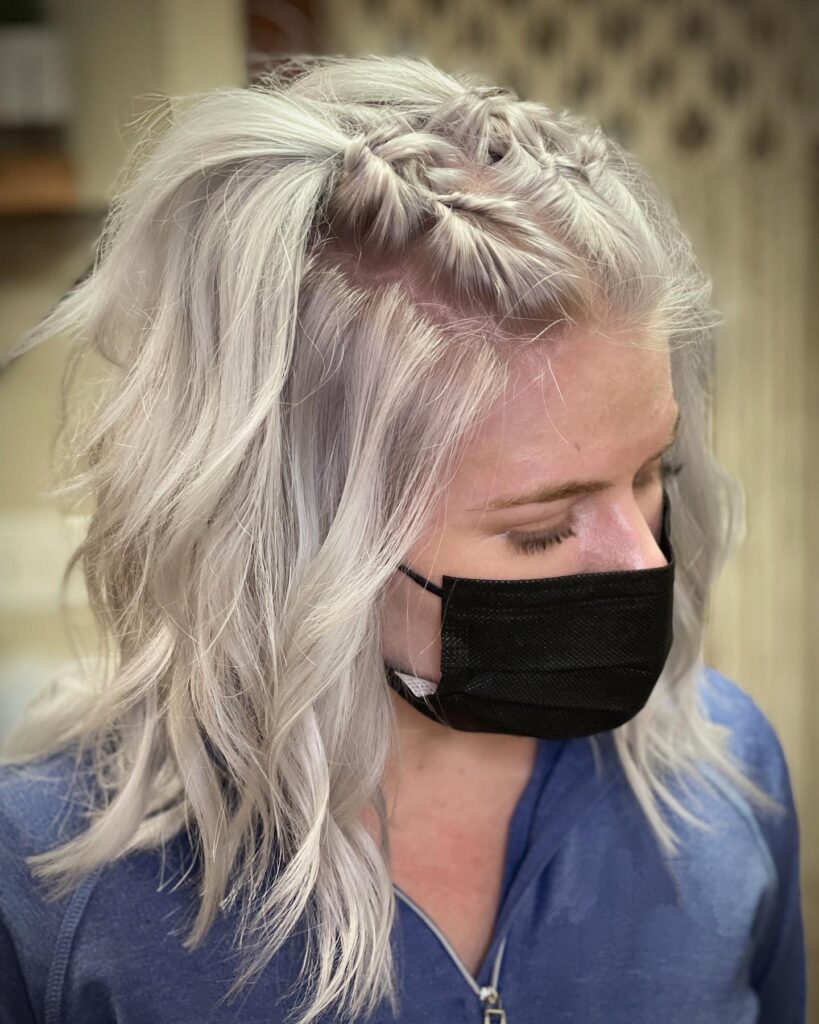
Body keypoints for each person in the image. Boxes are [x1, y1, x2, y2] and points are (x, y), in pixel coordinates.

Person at [0, 53, 806, 1024]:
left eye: (649, 475)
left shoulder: (728, 772)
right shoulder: (52, 884)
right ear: (301, 536)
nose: (645, 558)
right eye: (542, 527)